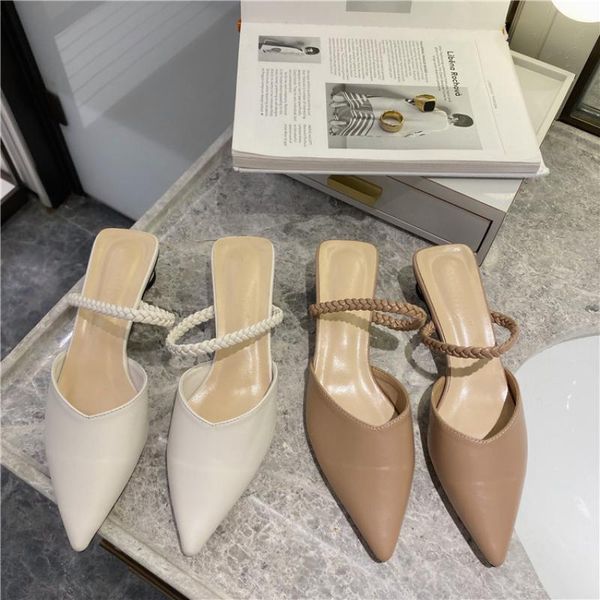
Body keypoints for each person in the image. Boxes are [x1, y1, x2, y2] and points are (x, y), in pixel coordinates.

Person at [329, 91, 474, 138]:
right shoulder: (442, 123)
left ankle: (340, 111)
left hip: (406, 117)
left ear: (457, 121)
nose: (455, 117)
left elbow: (422, 127)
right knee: (373, 118)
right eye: (458, 117)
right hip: (405, 119)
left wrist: (409, 102)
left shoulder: (442, 118)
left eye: (458, 119)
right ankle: (340, 115)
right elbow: (421, 130)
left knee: (374, 112)